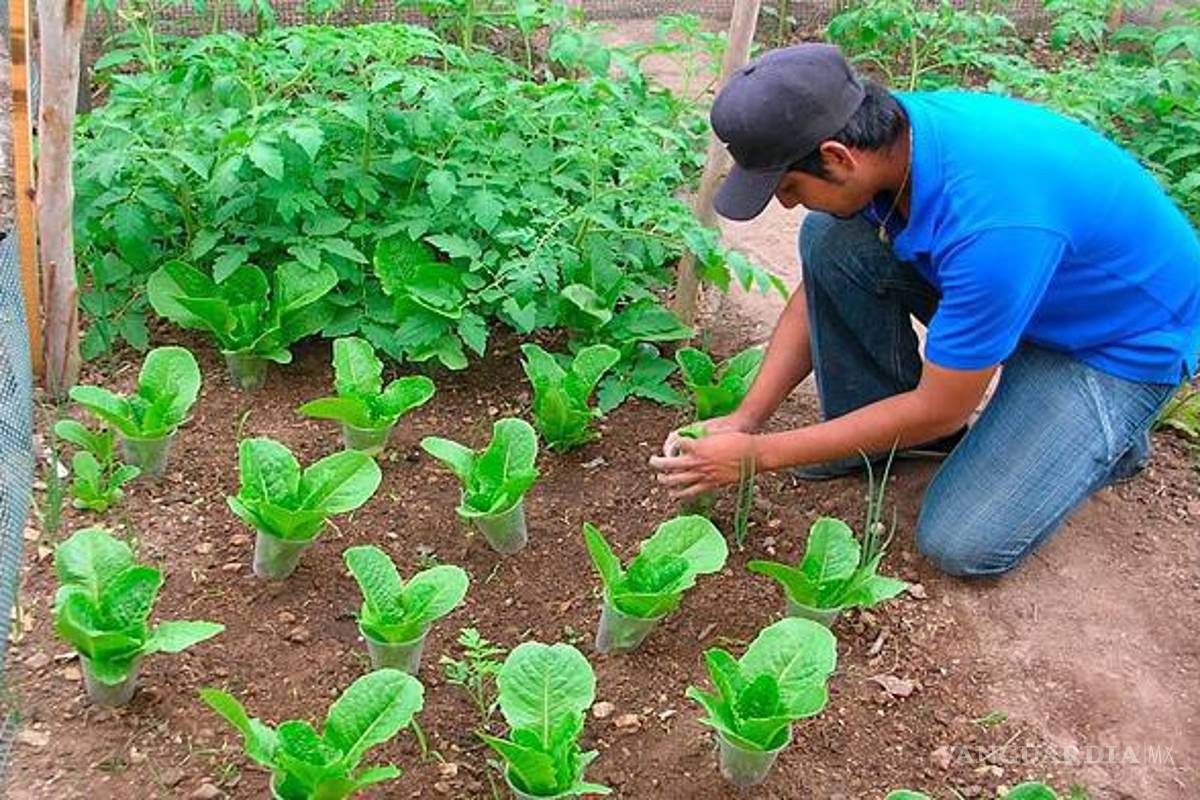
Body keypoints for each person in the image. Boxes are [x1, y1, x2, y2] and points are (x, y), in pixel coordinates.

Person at [649, 44, 1200, 577]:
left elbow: (945, 408)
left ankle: (1108, 438)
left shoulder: (991, 223)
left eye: (789, 186)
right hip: (1031, 291)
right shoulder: (891, 138)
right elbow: (817, 286)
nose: (786, 204)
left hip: (1113, 342)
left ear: (838, 158)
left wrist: (759, 456)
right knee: (830, 239)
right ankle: (890, 442)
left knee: (961, 541)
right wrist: (747, 419)